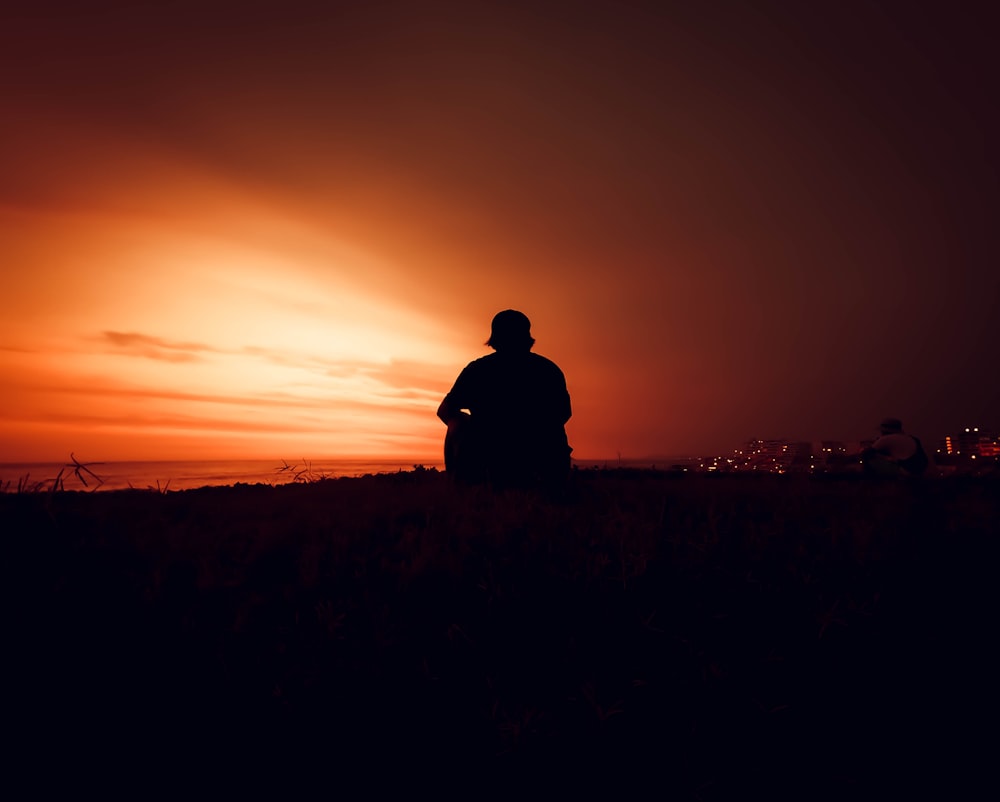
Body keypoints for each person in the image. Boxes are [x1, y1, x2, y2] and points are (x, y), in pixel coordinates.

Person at [437, 310, 572, 489]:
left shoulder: (479, 370)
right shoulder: (548, 370)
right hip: (545, 462)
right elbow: (564, 414)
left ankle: (463, 486)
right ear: (527, 337)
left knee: (458, 421)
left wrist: (463, 426)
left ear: (495, 339)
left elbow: (445, 410)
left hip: (494, 458)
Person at [861, 417, 932, 478]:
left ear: (884, 431)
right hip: (919, 471)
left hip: (907, 471)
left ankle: (870, 482)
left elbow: (866, 453)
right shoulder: (912, 438)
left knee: (869, 459)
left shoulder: (886, 439)